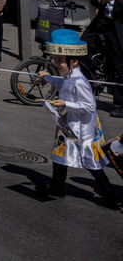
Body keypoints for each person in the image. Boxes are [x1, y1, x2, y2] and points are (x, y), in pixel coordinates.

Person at [36, 29, 119, 210]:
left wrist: (66, 103)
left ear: (73, 61)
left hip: (82, 128)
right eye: (55, 60)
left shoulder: (79, 81)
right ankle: (57, 186)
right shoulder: (68, 75)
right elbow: (62, 83)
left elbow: (90, 106)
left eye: (60, 61)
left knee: (91, 162)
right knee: (60, 153)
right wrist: (48, 77)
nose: (57, 64)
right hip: (70, 124)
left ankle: (111, 198)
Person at [86, 0, 123, 117]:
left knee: (118, 64)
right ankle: (87, 88)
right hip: (102, 22)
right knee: (81, 47)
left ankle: (120, 103)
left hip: (119, 27)